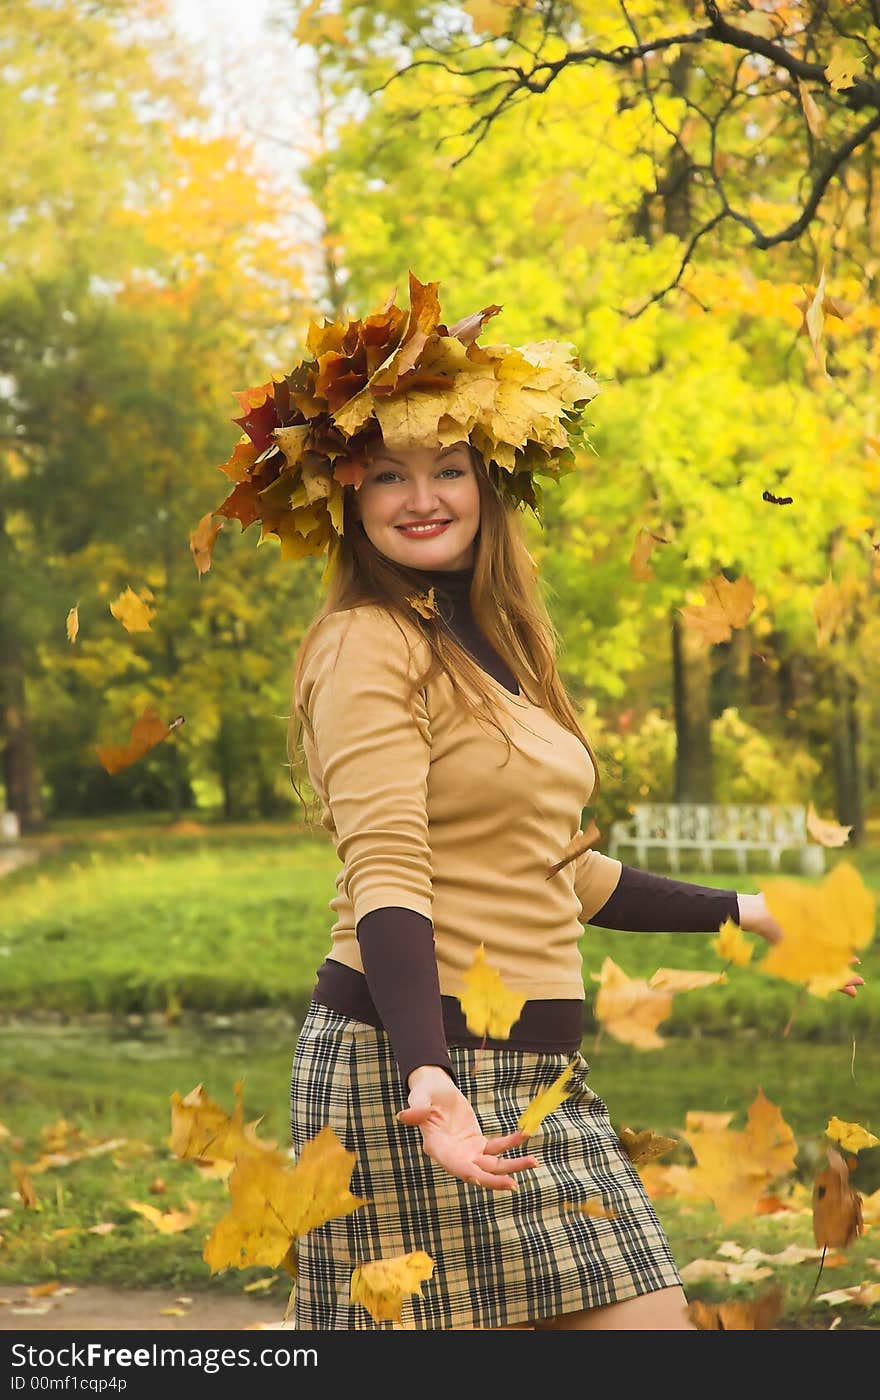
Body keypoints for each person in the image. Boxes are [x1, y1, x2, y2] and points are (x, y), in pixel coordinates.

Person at [216, 274, 863, 1331]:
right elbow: (387, 871)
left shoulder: (496, 648)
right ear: (348, 498)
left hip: (537, 1071)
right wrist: (428, 1068)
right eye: (387, 474)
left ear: (488, 481)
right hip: (412, 1072)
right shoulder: (367, 645)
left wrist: (740, 906)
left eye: (448, 467)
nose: (421, 495)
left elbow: (559, 869)